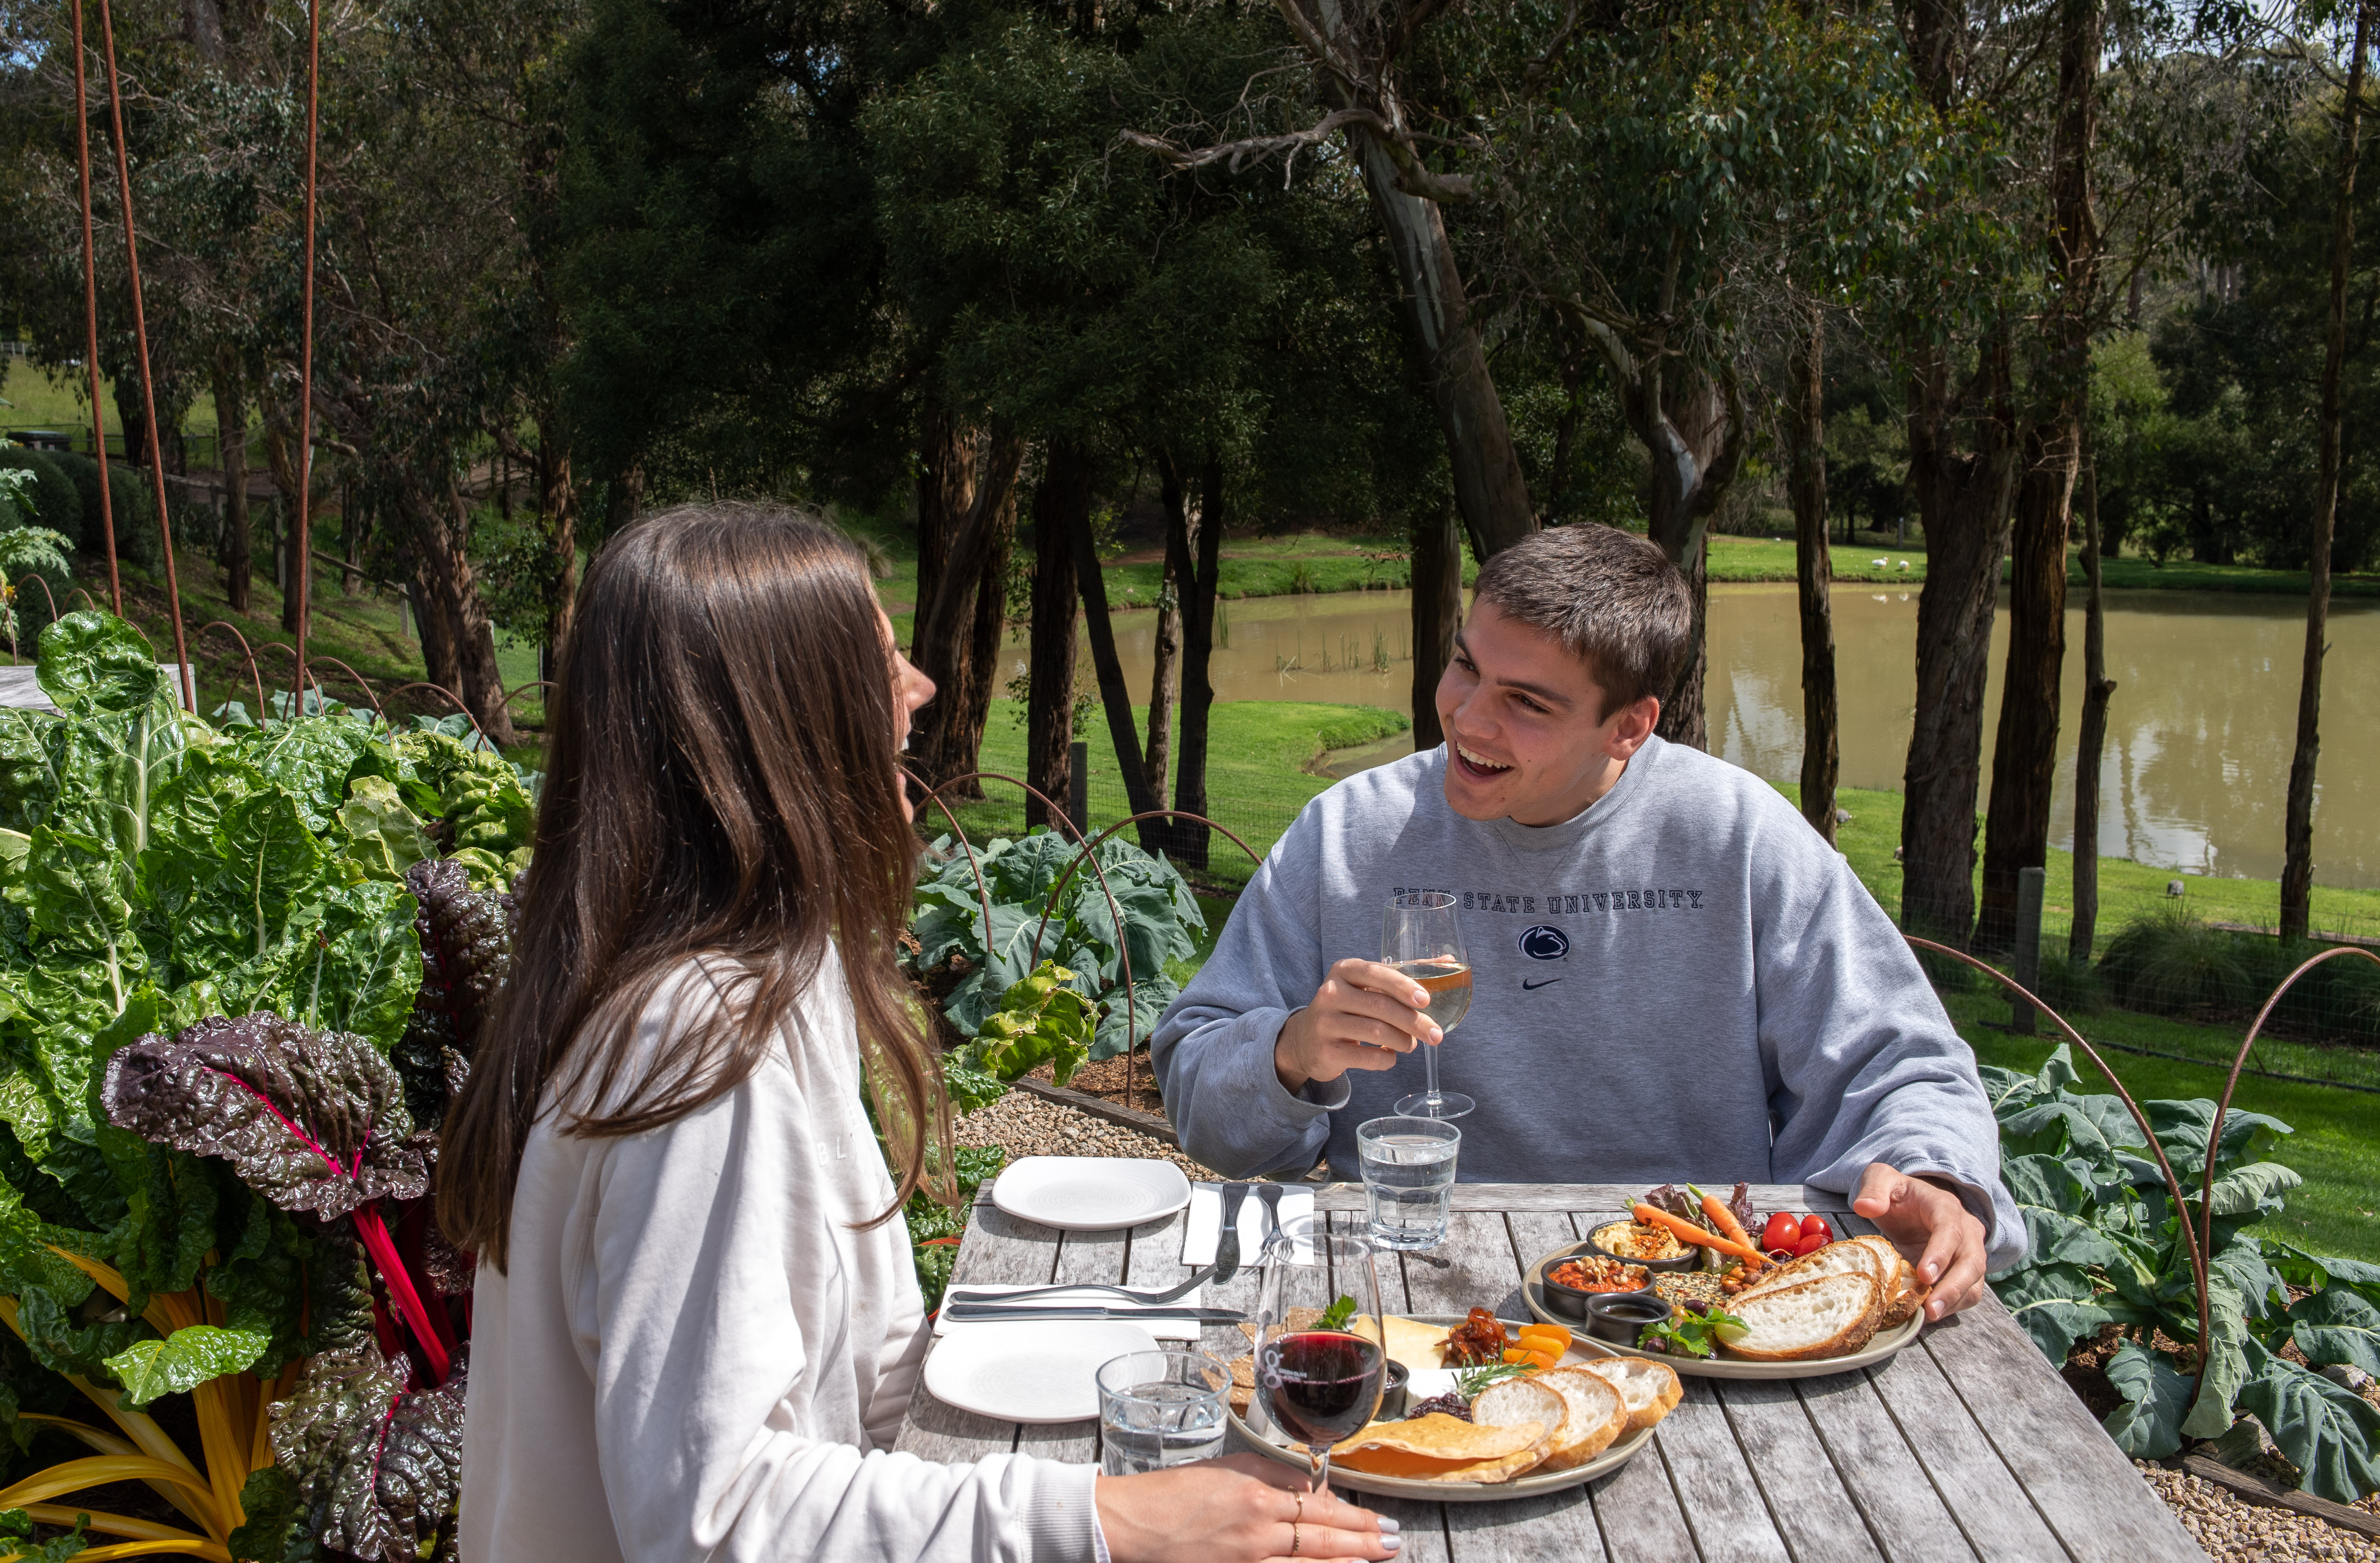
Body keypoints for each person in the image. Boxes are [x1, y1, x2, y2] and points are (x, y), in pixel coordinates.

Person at [441, 505, 1400, 1563]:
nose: (923, 687)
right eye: (883, 657)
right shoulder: (703, 1048)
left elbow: (844, 1388)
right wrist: (1101, 1518)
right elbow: (710, 1518)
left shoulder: (755, 977)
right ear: (781, 721)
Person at [1153, 522, 2025, 1317]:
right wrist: (1291, 1051)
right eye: (1465, 667)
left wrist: (1932, 1174)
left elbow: (1902, 1058)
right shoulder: (1347, 831)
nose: (1465, 717)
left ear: (1629, 728)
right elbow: (1205, 1107)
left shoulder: (1738, 836)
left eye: (1527, 703)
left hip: (1691, 1298)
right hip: (1397, 1289)